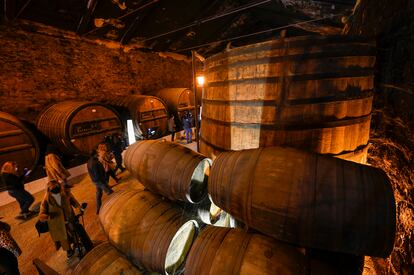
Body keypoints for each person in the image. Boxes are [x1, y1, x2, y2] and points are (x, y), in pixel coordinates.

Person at [38, 180, 88, 259]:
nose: (56, 191)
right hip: (57, 223)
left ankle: (76, 244)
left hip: (70, 218)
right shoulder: (46, 200)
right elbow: (41, 214)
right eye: (53, 189)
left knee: (74, 232)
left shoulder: (66, 193)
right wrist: (47, 216)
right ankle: (68, 250)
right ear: (49, 190)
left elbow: (73, 202)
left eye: (57, 188)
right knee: (63, 238)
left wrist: (79, 208)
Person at [87, 149, 114, 214]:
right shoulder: (95, 163)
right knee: (110, 192)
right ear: (94, 154)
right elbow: (97, 174)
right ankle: (114, 207)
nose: (98, 154)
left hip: (95, 181)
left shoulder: (89, 162)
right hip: (99, 181)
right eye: (97, 153)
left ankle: (98, 208)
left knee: (98, 194)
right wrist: (103, 181)